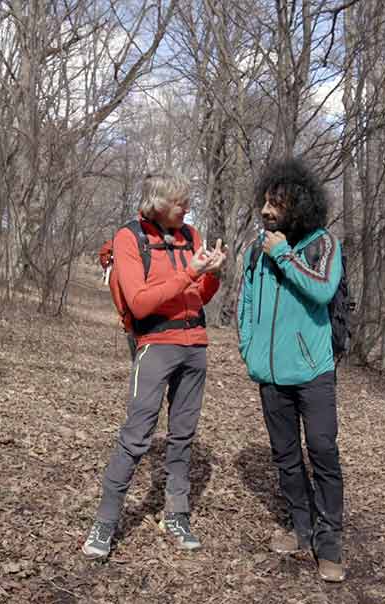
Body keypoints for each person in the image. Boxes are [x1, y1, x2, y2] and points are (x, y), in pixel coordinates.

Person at [82, 172, 227, 559]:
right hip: (155, 347)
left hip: (195, 346)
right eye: (181, 202)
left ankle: (176, 514)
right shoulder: (130, 238)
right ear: (159, 204)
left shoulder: (192, 236)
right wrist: (191, 272)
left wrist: (211, 274)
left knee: (183, 435)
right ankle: (106, 522)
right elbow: (141, 302)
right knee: (136, 436)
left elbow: (199, 296)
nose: (188, 208)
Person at [237, 157, 346, 582]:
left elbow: (322, 289)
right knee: (284, 456)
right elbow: (245, 301)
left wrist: (282, 254)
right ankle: (300, 528)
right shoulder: (255, 250)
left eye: (276, 204)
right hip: (270, 375)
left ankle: (330, 541)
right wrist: (248, 347)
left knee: (322, 451)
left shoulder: (322, 245)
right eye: (264, 202)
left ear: (297, 205)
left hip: (314, 372)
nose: (266, 211)